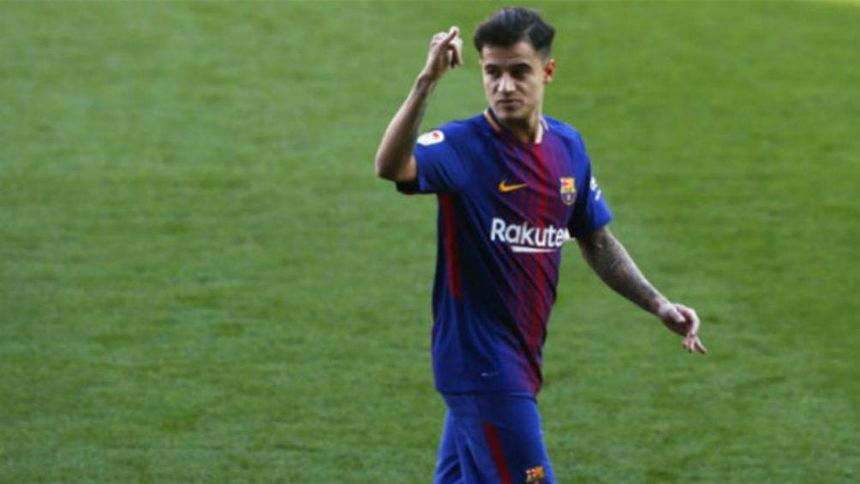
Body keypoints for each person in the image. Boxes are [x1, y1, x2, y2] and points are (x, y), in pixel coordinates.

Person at [374, 7, 707, 484]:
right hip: (480, 365)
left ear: (547, 72)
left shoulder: (567, 148)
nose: (504, 86)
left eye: (519, 72)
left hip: (520, 359)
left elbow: (596, 240)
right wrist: (426, 83)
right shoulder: (463, 146)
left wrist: (658, 304)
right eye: (492, 72)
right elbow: (390, 167)